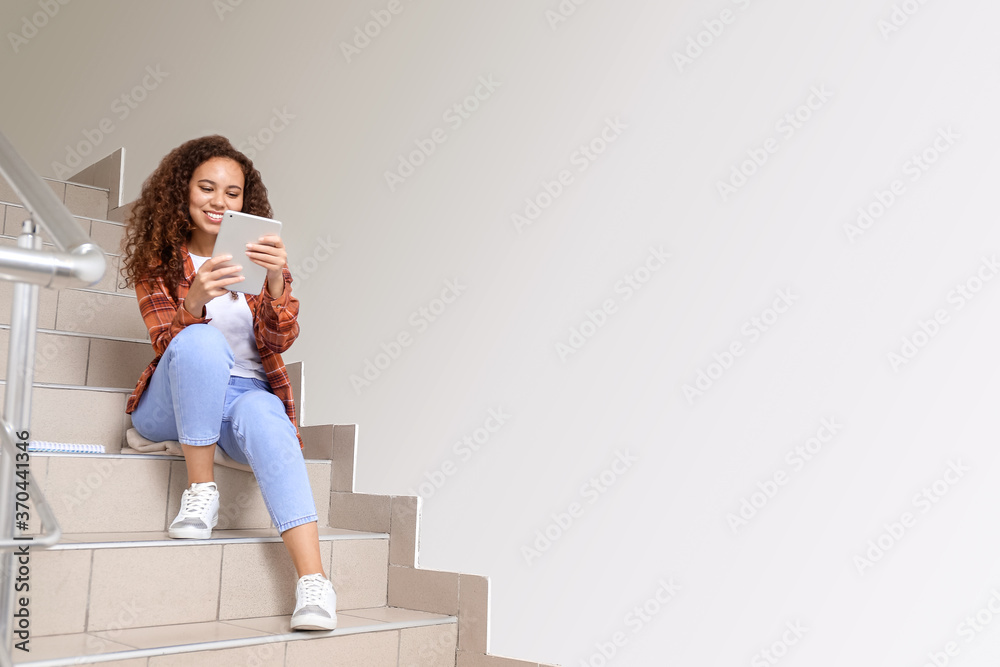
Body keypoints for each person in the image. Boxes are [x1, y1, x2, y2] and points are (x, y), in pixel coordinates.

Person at [119, 135, 336, 631]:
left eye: (232, 193)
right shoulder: (162, 264)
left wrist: (278, 280)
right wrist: (194, 300)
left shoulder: (255, 262)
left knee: (268, 413)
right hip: (172, 398)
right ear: (183, 192)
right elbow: (165, 345)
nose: (219, 202)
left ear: (245, 201)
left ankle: (315, 584)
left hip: (243, 397)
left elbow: (279, 340)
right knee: (200, 343)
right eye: (206, 188)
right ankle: (201, 491)